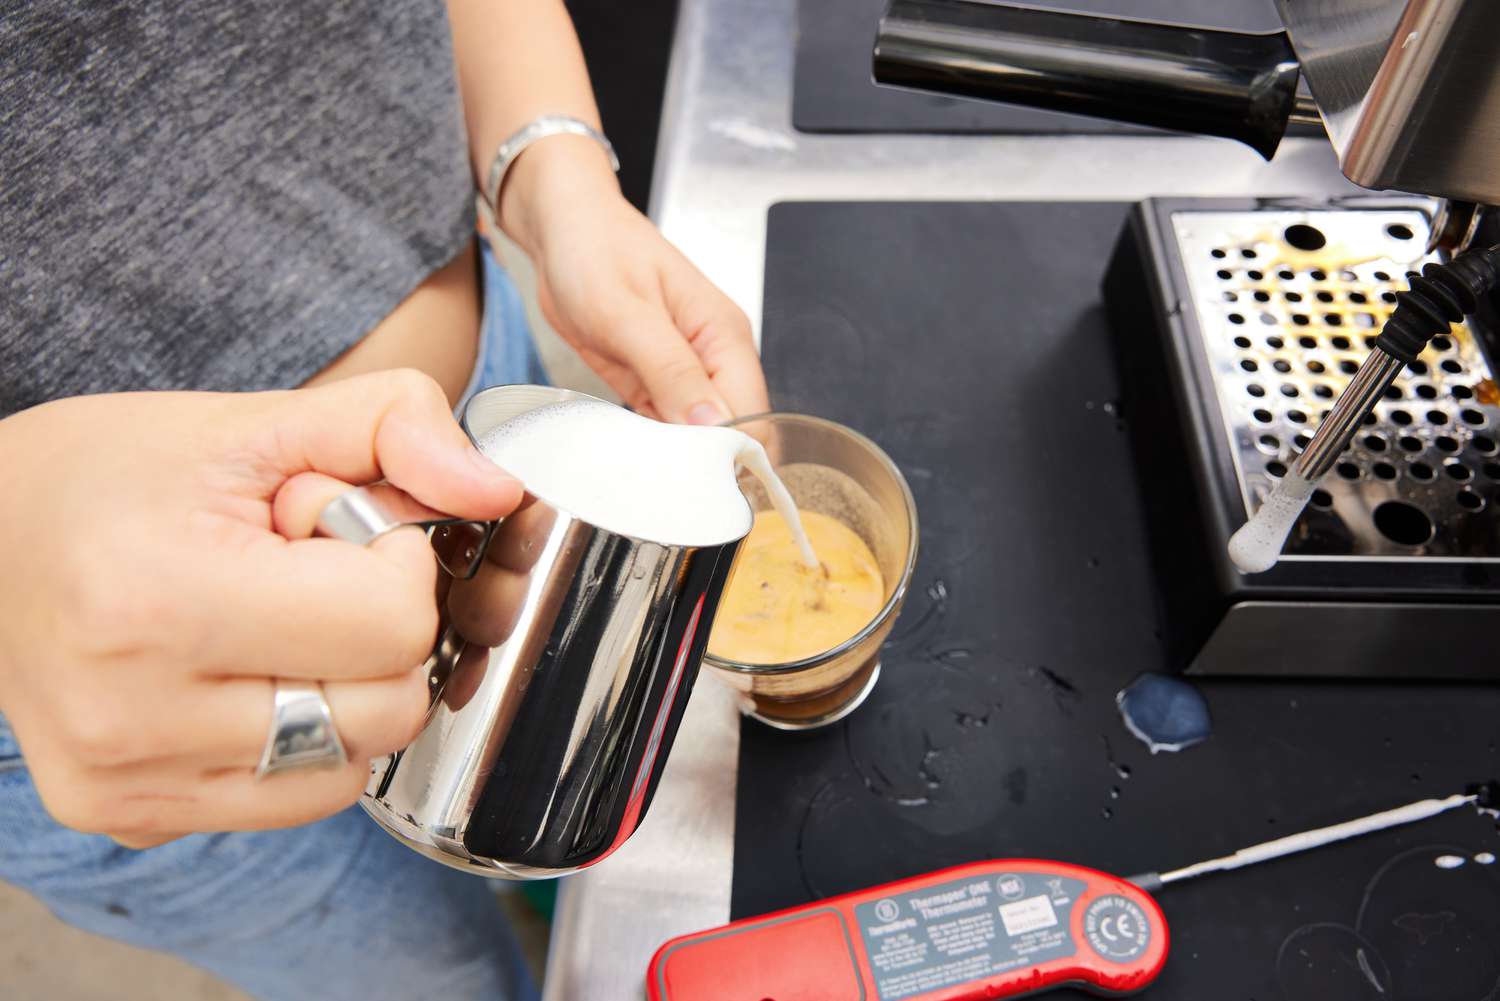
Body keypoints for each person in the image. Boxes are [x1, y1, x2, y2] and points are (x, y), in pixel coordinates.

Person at [0, 2, 768, 998]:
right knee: (440, 973)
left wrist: (556, 176)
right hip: (115, 652)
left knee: (532, 796)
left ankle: (524, 874)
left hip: (495, 426)